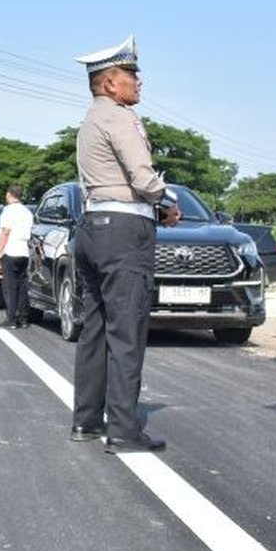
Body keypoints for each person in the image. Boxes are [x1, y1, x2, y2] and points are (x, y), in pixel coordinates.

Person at [70, 34, 181, 454]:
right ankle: (123, 429)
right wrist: (167, 203)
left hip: (93, 226)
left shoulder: (90, 118)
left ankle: (86, 420)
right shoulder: (120, 118)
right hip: (123, 232)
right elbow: (142, 178)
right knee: (127, 331)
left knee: (94, 328)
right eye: (131, 74)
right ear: (108, 83)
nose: (139, 81)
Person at [0, 185, 34, 329]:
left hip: (11, 251)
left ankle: (11, 318)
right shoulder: (27, 212)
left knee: (9, 286)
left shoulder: (8, 211)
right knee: (22, 286)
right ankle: (23, 318)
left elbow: (5, 233)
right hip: (24, 252)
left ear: (9, 195)